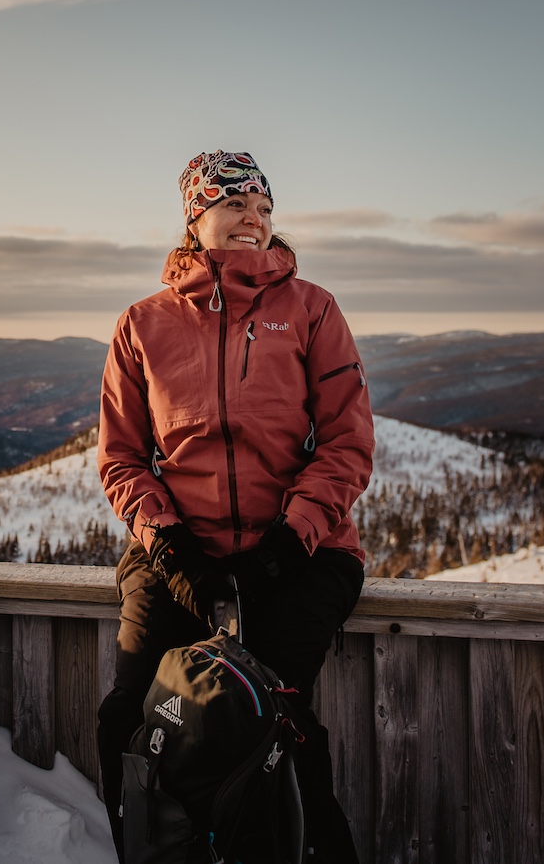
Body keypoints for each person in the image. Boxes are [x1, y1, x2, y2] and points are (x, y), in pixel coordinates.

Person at [96, 150, 374, 863]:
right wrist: (167, 545)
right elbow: (122, 459)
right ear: (196, 218)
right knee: (131, 712)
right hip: (178, 553)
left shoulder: (311, 309)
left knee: (273, 713)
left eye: (264, 208)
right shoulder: (142, 324)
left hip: (300, 553)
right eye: (235, 204)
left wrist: (290, 540)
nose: (254, 219)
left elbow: (347, 443)